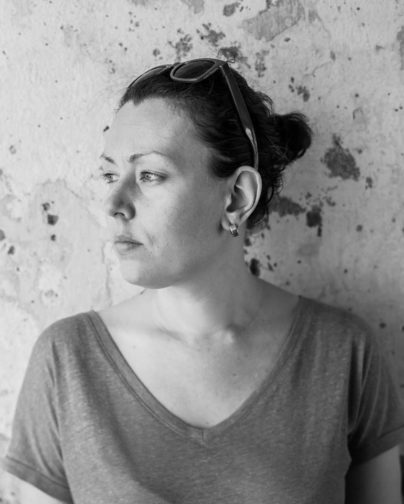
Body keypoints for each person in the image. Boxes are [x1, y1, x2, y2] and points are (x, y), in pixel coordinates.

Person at [2, 58, 404, 504]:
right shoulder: (67, 361)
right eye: (110, 174)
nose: (113, 203)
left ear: (237, 197)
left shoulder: (343, 354)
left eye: (149, 175)